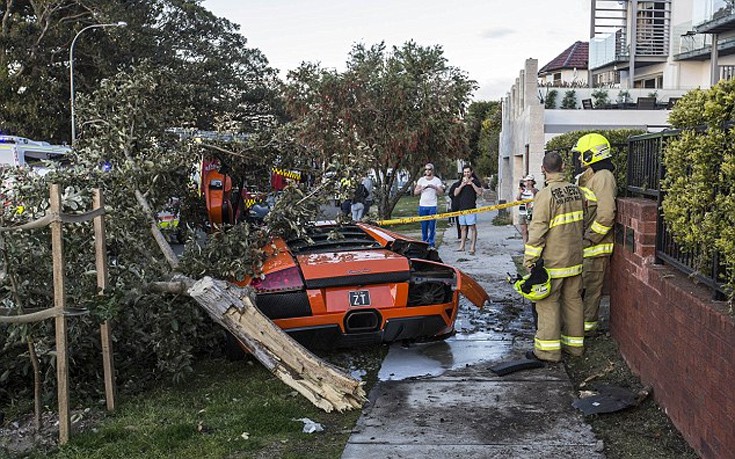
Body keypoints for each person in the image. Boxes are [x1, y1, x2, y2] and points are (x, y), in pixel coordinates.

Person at [524, 151, 585, 363]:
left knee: (548, 303)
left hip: (554, 262)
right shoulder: (577, 191)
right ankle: (574, 347)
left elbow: (538, 229)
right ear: (563, 166)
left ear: (543, 169)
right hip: (575, 259)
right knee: (573, 301)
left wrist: (530, 260)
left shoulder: (545, 195)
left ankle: (548, 352)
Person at [572, 133, 617, 335]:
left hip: (595, 249)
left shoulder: (604, 178)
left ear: (592, 155)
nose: (578, 159)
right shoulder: (589, 177)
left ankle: (587, 330)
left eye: (581, 154)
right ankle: (577, 328)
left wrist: (590, 238)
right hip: (584, 248)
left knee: (590, 293)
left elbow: (606, 215)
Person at [453, 165, 483, 255]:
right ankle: (462, 246)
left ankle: (472, 247)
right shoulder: (460, 182)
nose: (466, 174)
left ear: (471, 172)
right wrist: (462, 185)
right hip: (461, 208)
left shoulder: (475, 182)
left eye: (468, 172)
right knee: (463, 227)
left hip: (471, 208)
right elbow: (455, 193)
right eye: (465, 172)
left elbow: (480, 192)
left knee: (472, 227)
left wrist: (471, 183)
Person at [414, 162, 444, 247]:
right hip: (423, 205)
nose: (427, 171)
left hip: (432, 206)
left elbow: (441, 192)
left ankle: (431, 243)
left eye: (429, 169)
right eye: (426, 169)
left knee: (432, 226)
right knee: (424, 226)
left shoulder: (436, 180)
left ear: (433, 170)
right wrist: (422, 188)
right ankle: (424, 242)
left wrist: (434, 187)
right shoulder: (421, 180)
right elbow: (415, 192)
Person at [516, 174, 538, 243]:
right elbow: (518, 199)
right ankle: (525, 246)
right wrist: (520, 192)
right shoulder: (523, 190)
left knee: (530, 230)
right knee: (523, 231)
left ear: (532, 182)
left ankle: (530, 244)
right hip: (522, 212)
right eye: (526, 181)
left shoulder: (535, 190)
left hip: (530, 212)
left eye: (529, 181)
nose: (527, 183)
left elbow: (537, 200)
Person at [447, 174, 462, 240]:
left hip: (463, 205)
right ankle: (460, 235)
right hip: (456, 205)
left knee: (462, 222)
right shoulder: (455, 185)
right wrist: (454, 198)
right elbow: (450, 194)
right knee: (458, 221)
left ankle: (463, 235)